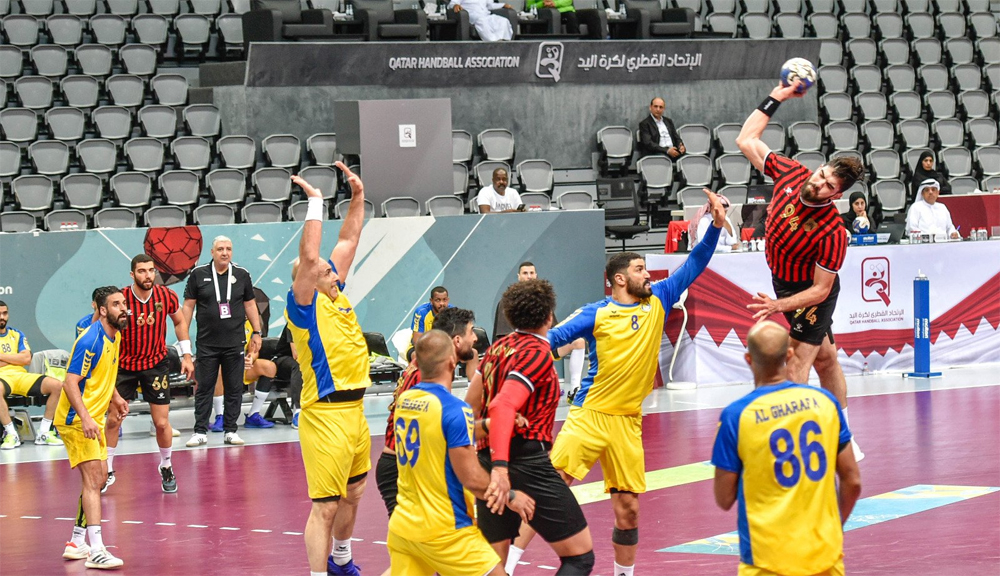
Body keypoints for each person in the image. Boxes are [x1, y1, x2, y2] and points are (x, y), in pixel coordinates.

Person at [512, 189, 726, 576]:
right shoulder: (595, 314)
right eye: (642, 269)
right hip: (589, 415)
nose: (650, 275)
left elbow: (695, 263)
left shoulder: (660, 298)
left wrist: (713, 226)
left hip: (628, 422)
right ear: (620, 279)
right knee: (550, 489)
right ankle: (506, 567)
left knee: (628, 510)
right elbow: (545, 342)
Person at [737, 79, 866, 462]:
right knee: (827, 359)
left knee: (797, 361)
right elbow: (747, 140)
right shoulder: (793, 174)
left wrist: (779, 306)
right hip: (783, 283)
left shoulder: (832, 231)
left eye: (828, 185)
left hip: (807, 291)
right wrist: (779, 95)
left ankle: (798, 445)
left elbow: (821, 290)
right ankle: (845, 436)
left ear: (836, 195)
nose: (819, 183)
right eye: (822, 174)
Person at [712, 320, 862, 576]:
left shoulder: (736, 416)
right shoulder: (825, 402)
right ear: (789, 354)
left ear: (748, 359)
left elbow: (724, 499)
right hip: (823, 556)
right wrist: (834, 527)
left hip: (766, 560)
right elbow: (853, 481)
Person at [387, 330, 534, 576]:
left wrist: (488, 425)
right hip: (446, 529)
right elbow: (472, 478)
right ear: (452, 363)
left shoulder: (407, 401)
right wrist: (510, 496)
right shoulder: (455, 409)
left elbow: (442, 433)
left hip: (404, 526)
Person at [474, 279, 596, 575]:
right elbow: (502, 406)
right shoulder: (538, 353)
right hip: (526, 462)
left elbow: (470, 409)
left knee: (494, 565)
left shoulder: (496, 349)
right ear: (549, 316)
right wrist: (502, 470)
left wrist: (490, 459)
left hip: (488, 457)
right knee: (579, 557)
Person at [285, 165, 370, 576]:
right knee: (326, 505)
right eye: (323, 270)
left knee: (354, 493)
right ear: (307, 279)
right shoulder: (303, 308)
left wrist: (357, 197)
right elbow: (310, 256)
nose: (332, 271)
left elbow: (349, 238)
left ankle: (340, 560)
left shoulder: (335, 294)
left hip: (356, 412)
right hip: (326, 413)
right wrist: (316, 203)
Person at [103, 255, 194, 494]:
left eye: (151, 271)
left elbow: (179, 322)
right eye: (142, 271)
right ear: (132, 275)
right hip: (124, 367)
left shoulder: (166, 296)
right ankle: (108, 470)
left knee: (162, 423)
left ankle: (166, 465)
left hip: (155, 365)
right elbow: (104, 327)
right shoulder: (120, 300)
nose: (148, 275)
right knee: (114, 419)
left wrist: (186, 355)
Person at [377, 307, 478, 518]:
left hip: (404, 463)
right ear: (457, 340)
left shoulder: (430, 367)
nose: (475, 338)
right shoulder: (428, 376)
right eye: (471, 332)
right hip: (402, 466)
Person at [56, 287, 130, 570]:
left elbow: (102, 376)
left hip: (93, 418)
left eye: (123, 303)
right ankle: (97, 549)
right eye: (115, 304)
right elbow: (71, 382)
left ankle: (76, 541)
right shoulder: (90, 340)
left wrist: (117, 398)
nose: (123, 308)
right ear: (101, 310)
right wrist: (86, 418)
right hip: (77, 420)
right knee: (92, 481)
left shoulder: (116, 335)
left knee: (98, 479)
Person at [183, 236, 263, 448]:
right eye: (220, 249)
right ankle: (200, 431)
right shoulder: (198, 274)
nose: (224, 253)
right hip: (207, 343)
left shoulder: (241, 274)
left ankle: (231, 430)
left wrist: (257, 332)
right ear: (212, 252)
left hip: (234, 342)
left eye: (228, 248)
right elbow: (188, 307)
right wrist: (183, 334)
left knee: (235, 387)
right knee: (204, 388)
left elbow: (250, 305)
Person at [493, 262, 587, 400]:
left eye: (532, 273)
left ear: (536, 275)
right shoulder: (507, 302)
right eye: (525, 273)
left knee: (578, 342)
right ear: (519, 276)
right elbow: (505, 336)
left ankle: (574, 391)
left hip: (544, 347)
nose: (529, 276)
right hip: (518, 351)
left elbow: (555, 329)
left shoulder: (543, 301)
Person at [0, 301, 67, 449]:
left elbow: (26, 359)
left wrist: (2, 357)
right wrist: (15, 359)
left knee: (58, 386)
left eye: (5, 313)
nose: (2, 317)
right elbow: (20, 358)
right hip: (2, 378)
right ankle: (11, 434)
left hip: (22, 376)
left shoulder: (16, 334)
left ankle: (44, 432)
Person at [405, 285, 452, 361]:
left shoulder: (452, 312)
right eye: (438, 300)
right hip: (421, 348)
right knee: (417, 357)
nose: (442, 303)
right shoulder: (421, 312)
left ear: (448, 300)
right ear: (431, 301)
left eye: (444, 300)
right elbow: (417, 341)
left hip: (444, 348)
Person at [449, 0, 514, 41]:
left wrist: (503, 5)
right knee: (482, 22)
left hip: (486, 14)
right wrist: (455, 5)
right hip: (472, 14)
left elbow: (490, 5)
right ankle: (493, 43)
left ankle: (504, 42)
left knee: (503, 21)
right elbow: (452, 4)